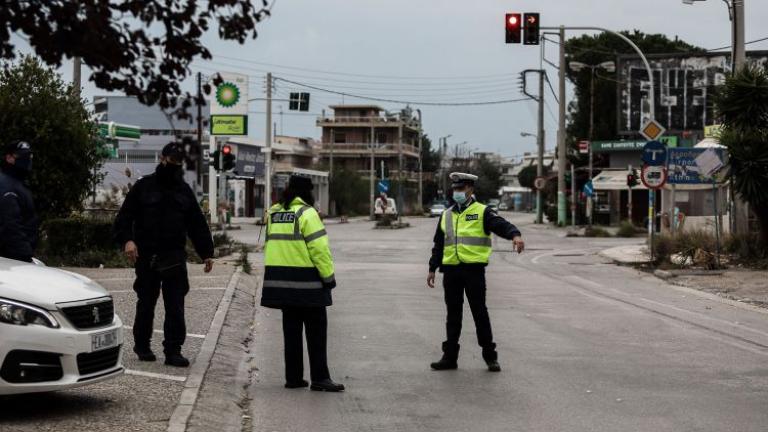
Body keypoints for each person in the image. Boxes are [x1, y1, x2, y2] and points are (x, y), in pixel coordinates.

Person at [114, 142, 214, 367]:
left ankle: (173, 350)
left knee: (175, 305)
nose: (175, 166)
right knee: (146, 303)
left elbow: (197, 224)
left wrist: (206, 253)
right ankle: (142, 345)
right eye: (172, 161)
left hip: (174, 256)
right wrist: (128, 241)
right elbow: (124, 217)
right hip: (147, 255)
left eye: (179, 163)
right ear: (162, 158)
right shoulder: (144, 186)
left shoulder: (184, 191)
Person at [427, 172, 525, 372]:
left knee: (480, 314)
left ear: (470, 189)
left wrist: (514, 235)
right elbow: (439, 243)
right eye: (455, 189)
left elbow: (500, 225)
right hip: (451, 271)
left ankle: (490, 357)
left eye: (461, 189)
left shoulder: (482, 211)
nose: (457, 192)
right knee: (453, 315)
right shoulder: (446, 215)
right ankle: (450, 357)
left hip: (474, 271)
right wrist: (432, 268)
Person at [261, 175, 344, 392]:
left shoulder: (275, 212)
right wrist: (329, 278)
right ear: (306, 192)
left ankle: (293, 377)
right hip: (308, 284)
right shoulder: (307, 213)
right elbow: (319, 250)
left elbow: (272, 246)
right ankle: (320, 378)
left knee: (292, 332)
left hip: (281, 284)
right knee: (316, 333)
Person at [0, 140, 37, 263]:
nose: (27, 159)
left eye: (29, 156)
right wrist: (24, 255)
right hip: (12, 260)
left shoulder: (18, 184)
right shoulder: (7, 186)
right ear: (9, 158)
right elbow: (11, 225)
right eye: (22, 156)